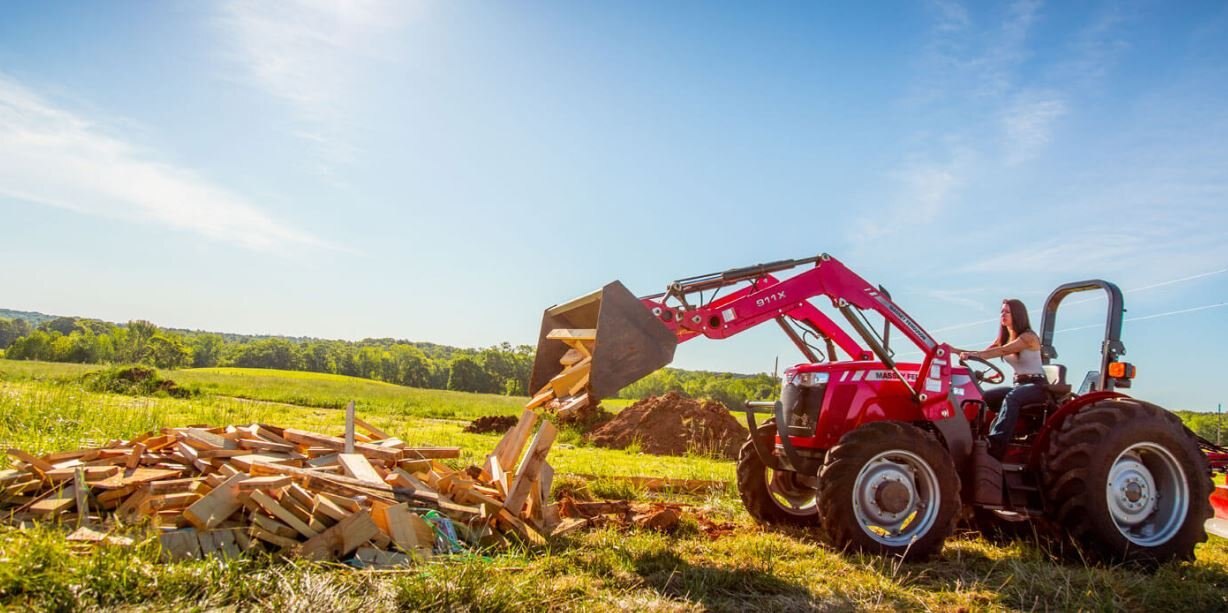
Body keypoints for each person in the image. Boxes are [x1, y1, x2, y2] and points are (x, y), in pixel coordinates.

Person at [958, 298, 1048, 458]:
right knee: (986, 397)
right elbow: (983, 353)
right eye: (1002, 311)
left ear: (1018, 315)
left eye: (1007, 311)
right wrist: (953, 350)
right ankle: (975, 436)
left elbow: (1000, 351)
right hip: (1019, 385)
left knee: (1011, 398)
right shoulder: (1005, 338)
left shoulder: (1028, 337)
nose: (1003, 314)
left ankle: (996, 444)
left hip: (1037, 386)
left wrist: (971, 355)